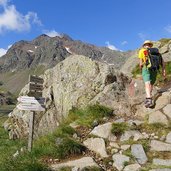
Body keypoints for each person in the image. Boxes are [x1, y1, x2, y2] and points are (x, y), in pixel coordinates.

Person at [138, 40, 166, 108]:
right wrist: (164, 71)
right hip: (155, 69)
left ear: (144, 45)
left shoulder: (142, 51)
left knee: (147, 83)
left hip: (146, 68)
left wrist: (141, 69)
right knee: (151, 84)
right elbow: (162, 62)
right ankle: (149, 95)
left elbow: (141, 63)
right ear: (151, 45)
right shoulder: (157, 52)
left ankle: (149, 99)